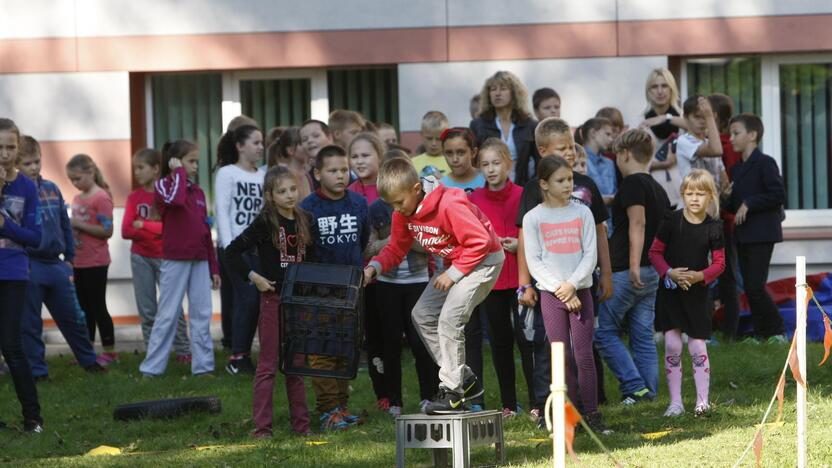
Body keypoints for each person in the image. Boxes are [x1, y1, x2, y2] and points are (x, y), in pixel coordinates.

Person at [363, 158, 504, 415]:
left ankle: (452, 393)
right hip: (456, 264)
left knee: (450, 318)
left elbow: (480, 242)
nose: (397, 209)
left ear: (416, 189)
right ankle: (464, 379)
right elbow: (396, 247)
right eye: (391, 204)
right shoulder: (403, 213)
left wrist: (453, 273)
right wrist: (374, 268)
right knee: (422, 314)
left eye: (399, 202)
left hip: (484, 261)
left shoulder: (450, 203)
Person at [516, 117, 613, 421]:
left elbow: (590, 254)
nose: (568, 185)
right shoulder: (533, 217)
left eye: (570, 179)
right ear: (544, 184)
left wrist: (573, 285)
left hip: (580, 290)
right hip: (551, 295)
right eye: (561, 180)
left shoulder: (582, 212)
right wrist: (560, 288)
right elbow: (535, 259)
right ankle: (567, 412)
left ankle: (591, 411)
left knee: (584, 355)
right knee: (561, 356)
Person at [226, 166, 312, 438]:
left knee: (295, 365)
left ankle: (302, 427)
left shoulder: (306, 219)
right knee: (267, 365)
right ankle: (262, 428)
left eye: (292, 189)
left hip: (297, 302)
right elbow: (232, 253)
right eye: (282, 191)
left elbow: (314, 259)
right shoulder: (265, 222)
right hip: (272, 300)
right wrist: (255, 278)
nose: (289, 195)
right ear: (270, 195)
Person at [16, 137, 104, 380]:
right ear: (16, 164)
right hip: (29, 265)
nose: (33, 167)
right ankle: (38, 371)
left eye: (36, 161)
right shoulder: (16, 192)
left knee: (74, 317)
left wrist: (70, 258)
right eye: (27, 163)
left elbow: (65, 224)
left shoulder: (52, 189)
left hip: (56, 263)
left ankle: (88, 360)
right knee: (31, 323)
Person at [594, 129, 670, 404]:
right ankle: (647, 393)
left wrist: (634, 264)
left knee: (604, 333)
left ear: (624, 154)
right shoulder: (656, 187)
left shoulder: (633, 185)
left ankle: (633, 386)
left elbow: (637, 223)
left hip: (629, 270)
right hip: (652, 272)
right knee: (642, 335)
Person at [364, 151, 439, 417]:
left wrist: (405, 237)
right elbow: (370, 247)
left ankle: (429, 395)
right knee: (390, 343)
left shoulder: (423, 206)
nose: (397, 206)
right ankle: (393, 399)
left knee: (421, 342)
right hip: (387, 283)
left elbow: (428, 247)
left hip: (418, 280)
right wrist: (396, 240)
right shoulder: (377, 209)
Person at [300, 145, 369, 430]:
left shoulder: (358, 203)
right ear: (317, 173)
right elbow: (304, 248)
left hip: (351, 287)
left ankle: (342, 406)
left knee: (345, 348)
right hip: (319, 291)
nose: (341, 176)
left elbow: (362, 241)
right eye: (333, 171)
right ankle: (328, 410)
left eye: (344, 170)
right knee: (321, 350)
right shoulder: (307, 207)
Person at [139, 140, 220, 377]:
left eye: (196, 161)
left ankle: (203, 367)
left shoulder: (199, 193)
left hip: (200, 260)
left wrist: (213, 268)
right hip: (175, 259)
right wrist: (178, 173)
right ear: (176, 162)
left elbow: (205, 231)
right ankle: (151, 369)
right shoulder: (163, 186)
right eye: (191, 161)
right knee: (168, 313)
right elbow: (175, 200)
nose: (196, 166)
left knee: (202, 314)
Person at [649, 169, 725, 417]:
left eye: (700, 194)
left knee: (697, 347)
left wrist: (699, 276)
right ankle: (675, 402)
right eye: (690, 193)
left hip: (697, 295)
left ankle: (702, 401)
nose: (694, 198)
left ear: (710, 197)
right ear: (682, 194)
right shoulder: (671, 221)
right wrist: (669, 273)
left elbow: (720, 263)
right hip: (670, 293)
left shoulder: (714, 227)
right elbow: (655, 254)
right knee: (672, 344)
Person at [469, 138, 533, 418]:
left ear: (509, 163)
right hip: (491, 281)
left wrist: (521, 245)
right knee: (499, 342)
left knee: (528, 340)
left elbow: (536, 231)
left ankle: (536, 401)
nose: (491, 169)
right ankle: (509, 403)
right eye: (485, 164)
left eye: (496, 163)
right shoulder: (474, 199)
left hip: (521, 278)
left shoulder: (523, 194)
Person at [123, 148, 191, 363]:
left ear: (155, 169)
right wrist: (155, 228)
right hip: (140, 257)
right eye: (135, 168)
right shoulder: (134, 197)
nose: (137, 173)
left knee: (174, 305)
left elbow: (169, 229)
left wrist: (143, 225)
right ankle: (154, 354)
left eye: (141, 168)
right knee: (147, 308)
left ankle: (183, 350)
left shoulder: (165, 193)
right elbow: (126, 231)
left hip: (165, 256)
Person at [727, 113, 787, 343]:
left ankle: (777, 330)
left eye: (736, 133)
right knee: (750, 287)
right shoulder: (736, 169)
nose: (731, 138)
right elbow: (734, 205)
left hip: (762, 233)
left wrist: (749, 203)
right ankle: (763, 333)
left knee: (755, 285)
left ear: (752, 135)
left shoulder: (766, 163)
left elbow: (778, 194)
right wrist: (725, 198)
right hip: (743, 235)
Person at [0, 118, 44, 433]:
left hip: (13, 271)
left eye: (10, 147)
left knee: (11, 346)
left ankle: (33, 417)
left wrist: (7, 226)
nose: (4, 153)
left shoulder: (27, 187)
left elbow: (35, 237)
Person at [215, 125, 265, 375]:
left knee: (255, 300)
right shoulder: (227, 173)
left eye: (261, 142)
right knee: (247, 298)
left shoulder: (262, 175)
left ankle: (244, 354)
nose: (260, 147)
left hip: (256, 249)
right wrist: (228, 247)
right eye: (255, 142)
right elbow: (222, 211)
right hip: (234, 248)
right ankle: (237, 357)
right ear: (240, 146)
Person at [66, 153, 116, 364]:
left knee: (97, 306)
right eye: (72, 180)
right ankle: (87, 353)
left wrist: (79, 225)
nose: (75, 184)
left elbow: (108, 230)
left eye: (78, 179)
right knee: (83, 309)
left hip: (96, 261)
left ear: (91, 172)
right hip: (79, 260)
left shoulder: (101, 197)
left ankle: (110, 351)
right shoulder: (77, 199)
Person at [707, 93, 742, 339]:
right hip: (721, 218)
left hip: (724, 220)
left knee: (727, 276)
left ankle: (729, 330)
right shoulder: (723, 143)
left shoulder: (724, 146)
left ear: (714, 116)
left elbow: (729, 184)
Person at [470, 71, 539, 186]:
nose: (497, 93)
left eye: (503, 88)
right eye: (493, 89)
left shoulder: (529, 125)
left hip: (521, 189)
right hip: (487, 187)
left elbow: (539, 163)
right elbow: (473, 161)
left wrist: (532, 189)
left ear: (514, 93)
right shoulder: (478, 125)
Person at [640, 68, 685, 207]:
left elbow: (701, 130)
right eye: (655, 86)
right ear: (648, 91)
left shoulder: (683, 118)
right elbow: (634, 164)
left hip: (684, 191)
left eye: (664, 85)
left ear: (672, 88)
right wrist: (663, 164)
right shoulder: (640, 121)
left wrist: (667, 118)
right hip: (653, 192)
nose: (660, 91)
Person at [675, 96, 724, 185]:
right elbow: (716, 150)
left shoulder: (710, 142)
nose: (702, 121)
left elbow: (723, 179)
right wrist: (709, 117)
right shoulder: (684, 141)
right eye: (697, 117)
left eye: (704, 117)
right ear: (685, 117)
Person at [576, 117, 617, 206]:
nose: (611, 139)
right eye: (607, 134)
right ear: (593, 133)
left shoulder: (609, 163)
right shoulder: (577, 160)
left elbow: (615, 192)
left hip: (609, 217)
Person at [439, 128, 485, 194]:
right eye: (449, 153)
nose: (454, 159)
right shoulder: (441, 186)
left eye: (461, 152)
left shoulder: (487, 179)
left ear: (473, 153)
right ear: (443, 154)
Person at [411, 111, 451, 179]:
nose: (433, 143)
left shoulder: (452, 162)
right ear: (421, 135)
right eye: (429, 138)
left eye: (438, 139)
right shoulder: (412, 163)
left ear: (446, 137)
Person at [300, 119, 337, 190]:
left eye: (316, 136)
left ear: (329, 137)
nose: (310, 141)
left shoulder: (346, 165)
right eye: (305, 139)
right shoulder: (306, 177)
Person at [348, 133, 383, 204]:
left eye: (365, 155)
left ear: (380, 157)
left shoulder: (393, 187)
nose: (359, 161)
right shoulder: (348, 194)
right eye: (354, 157)